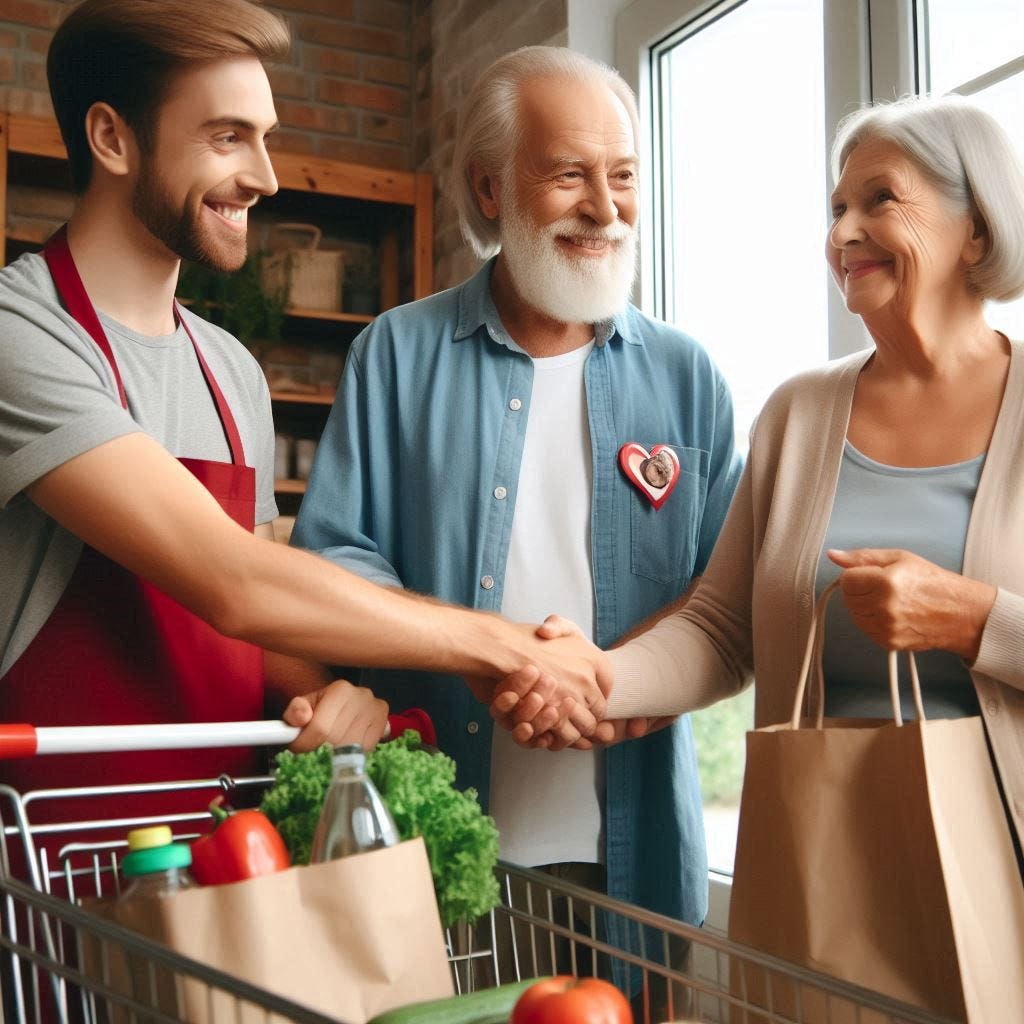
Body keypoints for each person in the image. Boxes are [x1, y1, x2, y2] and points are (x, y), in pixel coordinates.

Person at [0, 0, 608, 813]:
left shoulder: (231, 372)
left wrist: (332, 698)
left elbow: (258, 625)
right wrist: (501, 647)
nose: (266, 175)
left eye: (265, 134)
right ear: (112, 138)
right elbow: (232, 580)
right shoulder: (22, 334)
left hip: (221, 858)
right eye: (227, 136)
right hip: (52, 869)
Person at [292, 45, 742, 937]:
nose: (606, 209)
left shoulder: (690, 377)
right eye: (570, 174)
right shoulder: (393, 353)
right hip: (430, 848)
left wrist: (595, 689)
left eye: (623, 176)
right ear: (490, 189)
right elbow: (332, 563)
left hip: (638, 867)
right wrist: (493, 659)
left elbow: (724, 600)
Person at [506, 94, 1024, 866]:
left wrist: (974, 620)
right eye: (837, 207)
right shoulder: (798, 415)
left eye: (880, 199)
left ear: (976, 225)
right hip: (823, 875)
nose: (843, 233)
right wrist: (592, 678)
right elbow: (721, 627)